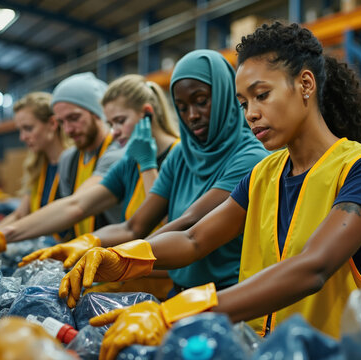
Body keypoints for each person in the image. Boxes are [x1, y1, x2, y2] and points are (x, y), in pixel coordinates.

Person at [70, 22, 361, 360]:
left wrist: (176, 313)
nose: (251, 114)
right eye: (244, 103)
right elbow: (195, 239)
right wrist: (121, 258)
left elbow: (313, 267)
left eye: (262, 95)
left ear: (305, 84)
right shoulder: (264, 174)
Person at [54, 49, 269, 308]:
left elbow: (190, 224)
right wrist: (89, 244)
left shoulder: (250, 158)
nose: (192, 115)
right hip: (178, 293)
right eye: (182, 107)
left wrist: (123, 256)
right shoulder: (181, 155)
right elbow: (133, 226)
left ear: (224, 95)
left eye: (201, 101)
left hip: (225, 299)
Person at [0, 72, 125, 256]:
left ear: (98, 113)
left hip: (112, 260)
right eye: (64, 121)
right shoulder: (70, 159)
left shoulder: (116, 154)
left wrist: (1, 235)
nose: (68, 129)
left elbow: (75, 207)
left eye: (74, 118)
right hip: (87, 258)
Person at [0, 92, 72, 232]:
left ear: (52, 123)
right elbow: (20, 214)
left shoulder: (74, 165)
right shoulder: (38, 166)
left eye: (28, 128)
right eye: (20, 130)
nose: (22, 137)